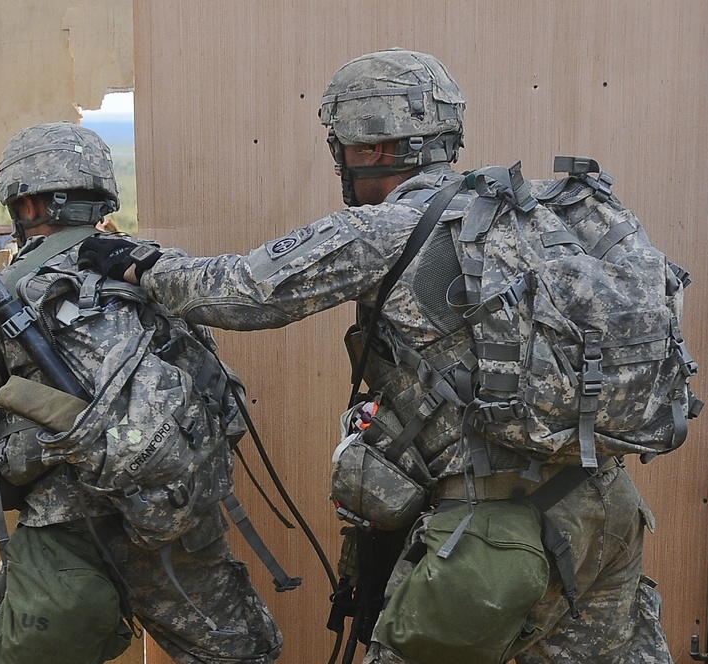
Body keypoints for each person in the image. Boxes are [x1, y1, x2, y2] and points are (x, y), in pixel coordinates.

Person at [76, 49, 674, 663]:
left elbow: (243, 292)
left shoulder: (390, 229)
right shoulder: (542, 216)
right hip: (606, 508)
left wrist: (135, 261)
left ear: (371, 150)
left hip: (495, 534)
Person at [0, 122, 281, 664]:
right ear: (101, 194)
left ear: (24, 202)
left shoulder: (7, 296)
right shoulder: (149, 269)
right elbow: (204, 374)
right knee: (240, 655)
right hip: (172, 511)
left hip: (67, 533)